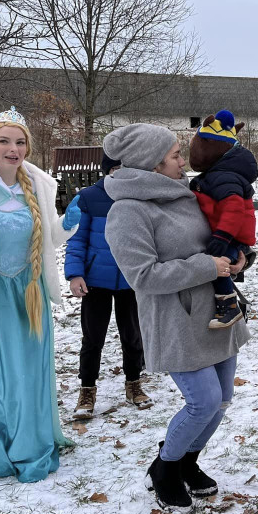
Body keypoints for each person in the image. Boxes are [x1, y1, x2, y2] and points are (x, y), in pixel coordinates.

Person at [104, 123, 250, 514]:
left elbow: (216, 240)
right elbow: (143, 276)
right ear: (152, 164)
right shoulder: (127, 211)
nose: (182, 160)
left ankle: (188, 462)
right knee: (202, 402)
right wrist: (207, 266)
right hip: (176, 322)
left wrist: (236, 259)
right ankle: (165, 468)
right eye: (173, 155)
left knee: (221, 402)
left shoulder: (186, 194)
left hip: (219, 313)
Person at [0, 109, 81, 482]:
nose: (13, 148)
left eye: (20, 141)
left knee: (28, 374)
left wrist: (66, 224)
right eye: (3, 140)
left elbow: (45, 239)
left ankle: (30, 442)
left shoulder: (37, 182)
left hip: (28, 292)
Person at [65, 152, 151, 420]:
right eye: (116, 169)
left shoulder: (138, 198)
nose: (121, 175)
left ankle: (134, 384)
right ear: (107, 171)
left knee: (133, 335)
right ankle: (87, 389)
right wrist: (75, 274)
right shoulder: (88, 198)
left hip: (130, 280)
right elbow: (77, 240)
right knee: (93, 338)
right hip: (95, 282)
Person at [187, 110, 258, 328]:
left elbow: (234, 208)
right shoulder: (219, 173)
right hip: (229, 234)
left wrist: (222, 236)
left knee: (219, 266)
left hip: (230, 236)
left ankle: (229, 305)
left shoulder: (223, 176)